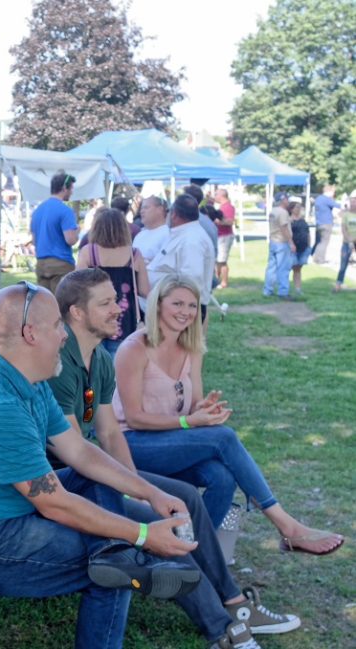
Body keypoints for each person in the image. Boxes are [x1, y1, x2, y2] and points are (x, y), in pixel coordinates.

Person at [0, 282, 203, 649]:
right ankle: (130, 559)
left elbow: (79, 450)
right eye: (57, 326)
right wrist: (139, 533)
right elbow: (53, 502)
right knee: (114, 570)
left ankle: (123, 555)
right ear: (30, 334)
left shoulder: (27, 377)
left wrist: (149, 493)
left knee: (103, 515)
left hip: (3, 511)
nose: (65, 335)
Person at [49, 269, 301, 646]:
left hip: (98, 467)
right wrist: (139, 492)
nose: (120, 307)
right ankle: (224, 629)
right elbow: (77, 449)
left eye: (116, 300)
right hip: (67, 481)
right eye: (106, 303)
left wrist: (137, 485)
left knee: (187, 497)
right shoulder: (60, 364)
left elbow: (108, 433)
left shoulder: (98, 359)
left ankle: (232, 601)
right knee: (165, 519)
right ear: (77, 313)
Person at [113, 274, 345, 555]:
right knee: (223, 438)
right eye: (177, 304)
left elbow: (194, 402)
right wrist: (189, 422)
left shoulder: (190, 346)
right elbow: (134, 417)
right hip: (131, 444)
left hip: (171, 439)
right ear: (157, 305)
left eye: (192, 305)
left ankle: (192, 552)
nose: (186, 312)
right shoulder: (134, 349)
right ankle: (287, 526)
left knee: (221, 476)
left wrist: (203, 410)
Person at [75, 207, 149, 357]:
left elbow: (77, 287)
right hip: (124, 319)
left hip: (94, 318)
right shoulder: (134, 254)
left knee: (95, 365)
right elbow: (144, 290)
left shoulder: (88, 252)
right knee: (120, 366)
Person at [147, 194, 215, 322]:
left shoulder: (191, 240)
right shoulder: (184, 234)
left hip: (181, 312)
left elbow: (191, 279)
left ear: (174, 214)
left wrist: (179, 311)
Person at [31, 172, 79, 292]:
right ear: (64, 188)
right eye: (71, 188)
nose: (72, 192)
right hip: (61, 264)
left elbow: (34, 240)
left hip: (41, 264)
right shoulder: (65, 211)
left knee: (45, 304)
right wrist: (77, 231)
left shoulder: (38, 210)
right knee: (62, 304)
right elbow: (71, 239)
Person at [262, 192, 294, 299]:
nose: (288, 201)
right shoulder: (283, 212)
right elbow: (284, 228)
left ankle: (268, 290)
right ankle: (283, 291)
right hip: (282, 242)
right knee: (283, 268)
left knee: (271, 267)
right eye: (286, 199)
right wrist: (291, 242)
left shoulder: (273, 211)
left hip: (273, 241)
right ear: (282, 200)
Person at [214, 189, 236, 289]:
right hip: (220, 236)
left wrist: (218, 222)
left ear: (222, 195)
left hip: (225, 236)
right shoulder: (223, 206)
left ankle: (224, 282)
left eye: (216, 194)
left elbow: (230, 222)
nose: (215, 196)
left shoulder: (228, 207)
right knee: (218, 260)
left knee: (222, 261)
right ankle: (217, 280)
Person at [312, 185, 339, 264]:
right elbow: (338, 206)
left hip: (318, 222)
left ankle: (315, 257)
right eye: (333, 192)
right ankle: (320, 259)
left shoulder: (318, 199)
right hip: (326, 223)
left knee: (318, 241)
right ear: (329, 191)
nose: (333, 194)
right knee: (324, 242)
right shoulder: (327, 199)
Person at [288, 201, 311, 297]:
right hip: (294, 247)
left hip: (304, 247)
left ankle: (298, 289)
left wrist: (309, 245)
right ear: (292, 209)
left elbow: (307, 232)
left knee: (298, 269)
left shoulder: (303, 220)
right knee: (293, 267)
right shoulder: (289, 220)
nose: (298, 209)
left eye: (299, 207)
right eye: (296, 207)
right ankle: (286, 288)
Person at [333, 204, 356, 292]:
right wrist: (349, 240)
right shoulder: (346, 215)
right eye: (352, 202)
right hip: (347, 242)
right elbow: (343, 229)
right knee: (343, 264)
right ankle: (338, 284)